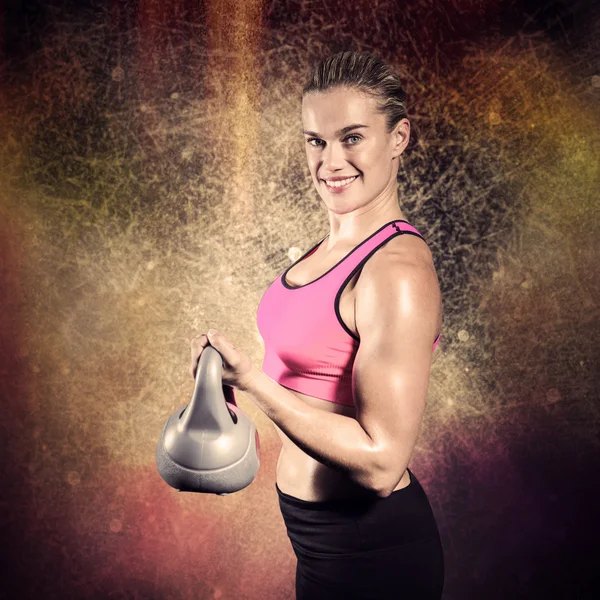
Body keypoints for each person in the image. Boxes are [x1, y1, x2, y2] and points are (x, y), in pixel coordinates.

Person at [192, 50, 444, 599]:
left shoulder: (395, 271)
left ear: (398, 138)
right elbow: (310, 383)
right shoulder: (328, 249)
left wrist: (253, 384)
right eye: (316, 141)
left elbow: (381, 461)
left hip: (371, 552)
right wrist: (221, 388)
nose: (330, 161)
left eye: (352, 138)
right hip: (318, 543)